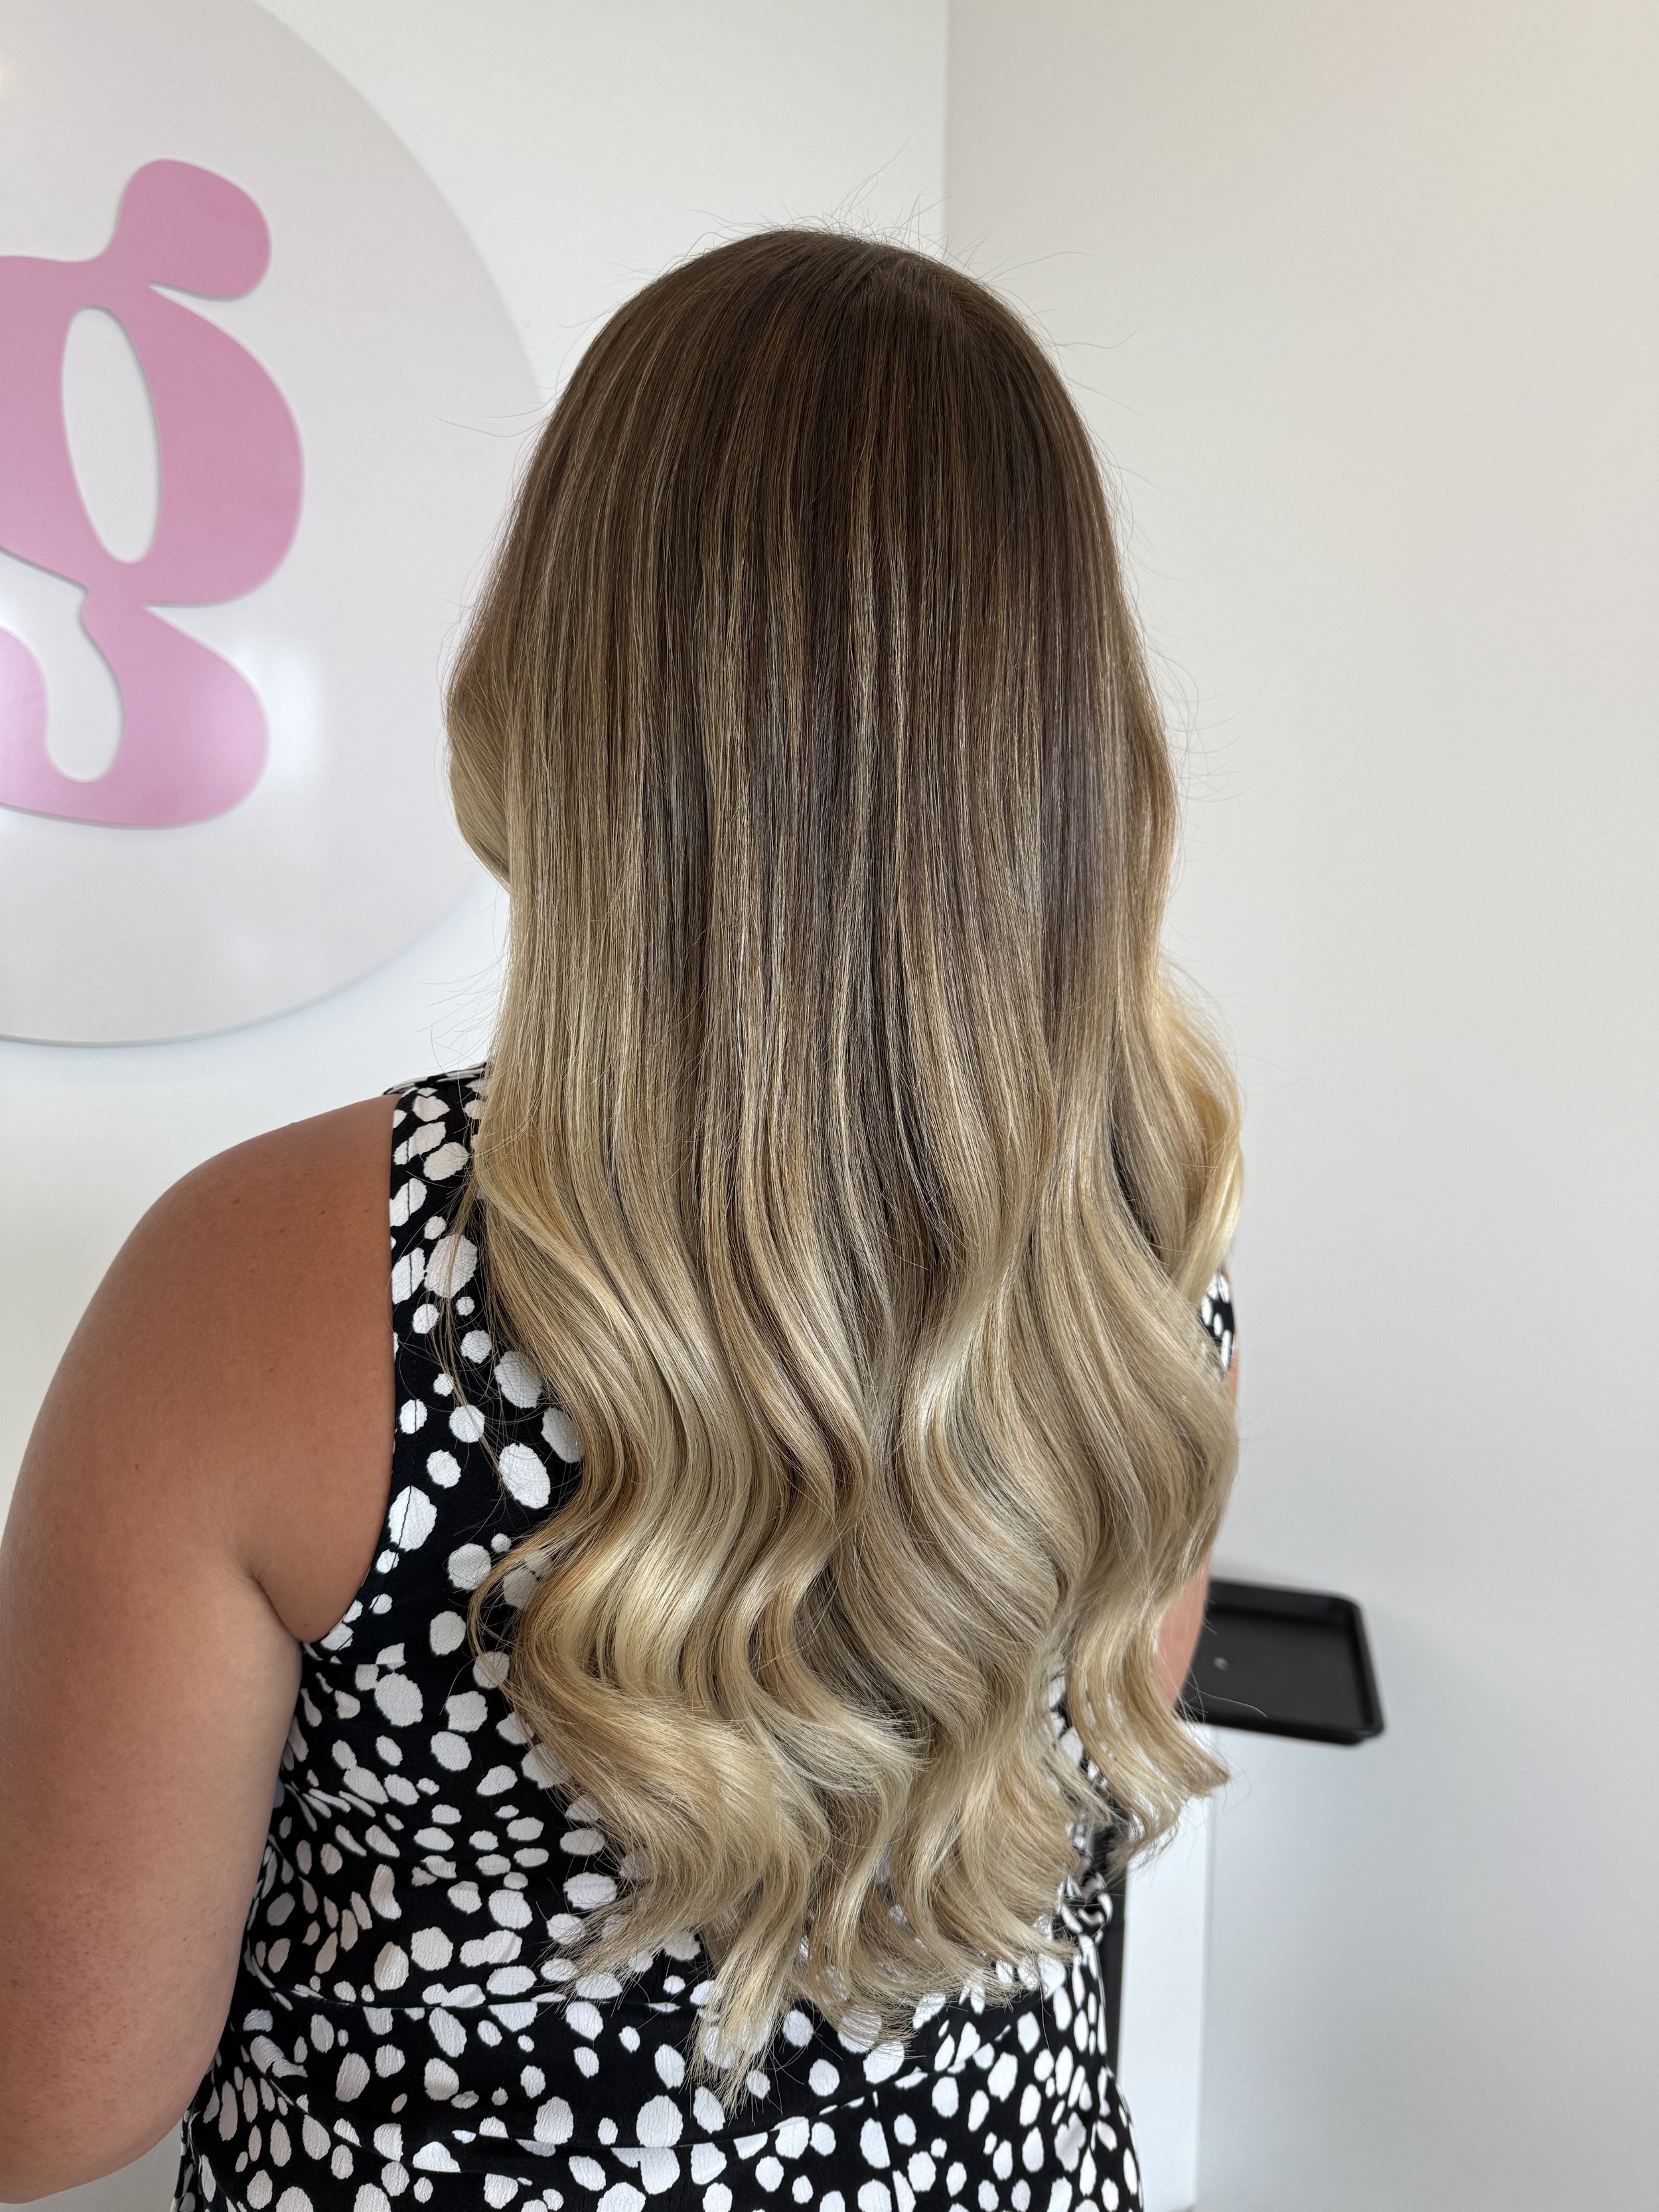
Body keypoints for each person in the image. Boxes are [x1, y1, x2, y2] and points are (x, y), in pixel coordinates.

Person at [0, 231, 1240, 2212]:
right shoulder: (1144, 1268)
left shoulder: (269, 1278)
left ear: (564, 673)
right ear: (1063, 737)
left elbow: (53, 2087)